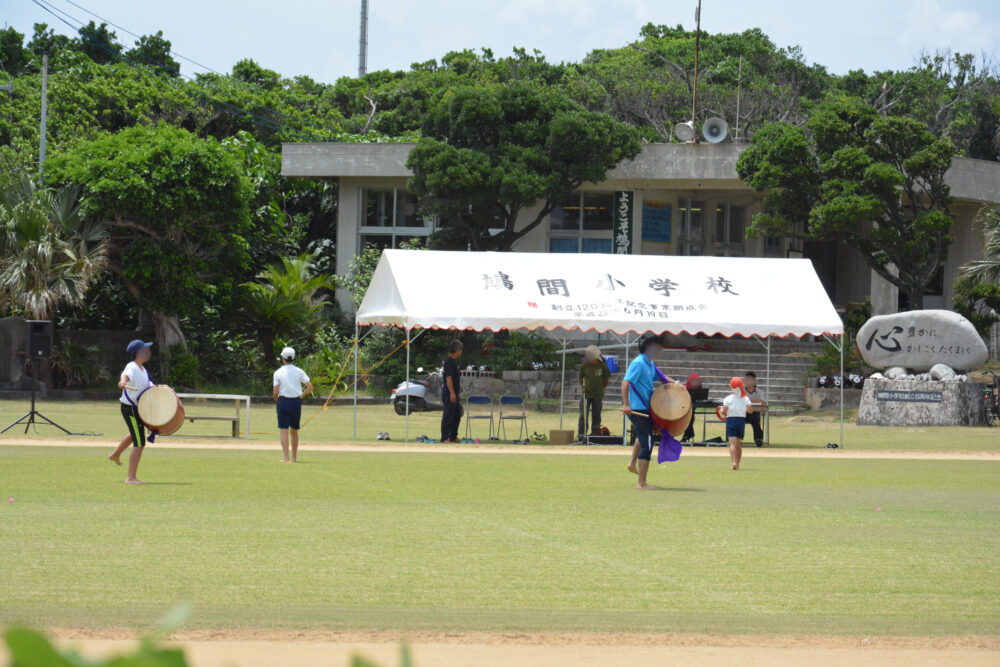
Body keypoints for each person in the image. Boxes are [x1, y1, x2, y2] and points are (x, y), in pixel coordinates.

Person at [622, 332, 675, 490]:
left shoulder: (650, 364)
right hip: (637, 408)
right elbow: (625, 383)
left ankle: (632, 463)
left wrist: (679, 385)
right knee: (648, 443)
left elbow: (663, 378)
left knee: (643, 435)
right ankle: (641, 483)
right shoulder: (638, 363)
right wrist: (626, 404)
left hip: (646, 408)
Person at [109, 339, 155, 485]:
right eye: (145, 349)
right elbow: (125, 376)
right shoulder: (132, 367)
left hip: (136, 408)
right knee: (139, 441)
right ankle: (131, 478)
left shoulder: (142, 369)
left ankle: (115, 454)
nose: (148, 352)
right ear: (139, 353)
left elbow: (150, 386)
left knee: (135, 433)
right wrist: (122, 382)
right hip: (130, 408)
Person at [273, 346, 313, 463]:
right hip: (295, 402)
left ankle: (286, 458)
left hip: (283, 401)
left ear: (282, 358)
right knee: (294, 431)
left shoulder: (278, 372)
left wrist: (277, 401)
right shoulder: (299, 371)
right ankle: (294, 458)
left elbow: (275, 391)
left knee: (284, 430)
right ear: (294, 358)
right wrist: (301, 395)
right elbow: (310, 387)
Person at [719, 377, 753, 470]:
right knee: (739, 444)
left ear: (731, 387)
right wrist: (743, 409)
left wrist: (721, 410)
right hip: (741, 421)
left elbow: (724, 411)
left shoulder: (728, 399)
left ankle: (733, 462)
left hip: (731, 420)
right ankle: (737, 464)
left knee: (732, 444)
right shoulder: (745, 398)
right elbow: (750, 410)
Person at [578, 345, 610, 439]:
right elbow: (581, 379)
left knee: (596, 415)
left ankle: (595, 435)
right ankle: (581, 435)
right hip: (586, 395)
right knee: (583, 415)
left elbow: (606, 380)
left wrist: (601, 389)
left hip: (598, 395)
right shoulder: (585, 366)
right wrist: (585, 388)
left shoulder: (603, 366)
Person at [440, 340, 464, 443]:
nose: (461, 352)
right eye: (460, 350)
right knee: (448, 415)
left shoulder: (454, 362)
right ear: (457, 350)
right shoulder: (449, 362)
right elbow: (448, 379)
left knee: (457, 414)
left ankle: (453, 436)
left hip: (455, 392)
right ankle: (445, 437)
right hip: (450, 393)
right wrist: (452, 393)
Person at [744, 371, 767, 446]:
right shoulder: (741, 391)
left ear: (754, 381)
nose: (748, 382)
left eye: (750, 380)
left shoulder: (759, 392)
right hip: (742, 413)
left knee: (756, 418)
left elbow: (763, 402)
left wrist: (753, 401)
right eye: (746, 380)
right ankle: (737, 439)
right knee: (736, 419)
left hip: (754, 413)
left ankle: (758, 439)